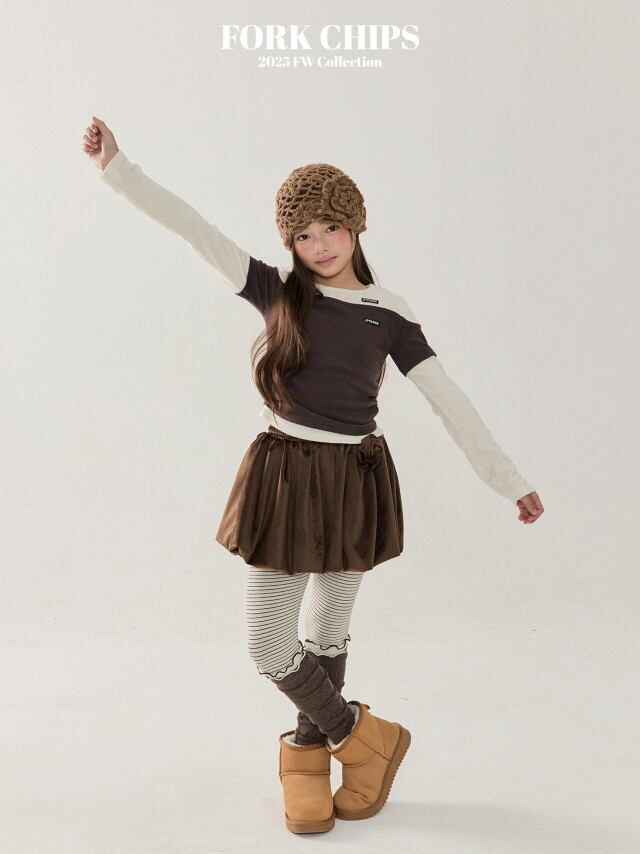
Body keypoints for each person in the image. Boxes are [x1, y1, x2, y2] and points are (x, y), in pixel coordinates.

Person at [83, 115, 544, 835]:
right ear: (289, 245)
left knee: (328, 629)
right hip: (285, 474)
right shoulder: (277, 292)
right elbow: (191, 226)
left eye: (330, 227)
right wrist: (119, 169)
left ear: (355, 226)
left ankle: (308, 760)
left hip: (356, 476)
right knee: (270, 641)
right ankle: (364, 739)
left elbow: (448, 398)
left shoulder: (389, 313)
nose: (319, 245)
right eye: (303, 235)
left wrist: (508, 479)